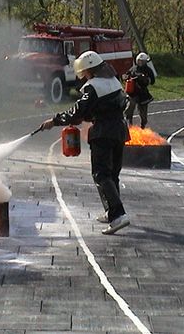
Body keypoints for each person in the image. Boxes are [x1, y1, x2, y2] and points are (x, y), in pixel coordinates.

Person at [40, 51, 131, 235]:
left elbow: (77, 111)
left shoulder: (93, 87)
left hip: (103, 133)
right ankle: (111, 211)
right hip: (120, 131)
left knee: (101, 174)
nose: (83, 75)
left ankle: (118, 215)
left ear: (90, 70)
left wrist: (55, 121)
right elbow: (118, 104)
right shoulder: (114, 81)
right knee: (113, 174)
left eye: (85, 72)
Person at [123, 52, 155, 129]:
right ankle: (129, 123)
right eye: (139, 61)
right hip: (133, 92)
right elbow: (126, 75)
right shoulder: (133, 69)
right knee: (130, 107)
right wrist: (126, 77)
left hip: (143, 94)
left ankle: (143, 125)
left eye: (142, 61)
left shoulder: (148, 70)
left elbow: (152, 81)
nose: (140, 62)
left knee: (143, 113)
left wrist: (145, 79)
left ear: (145, 62)